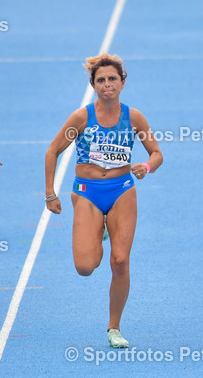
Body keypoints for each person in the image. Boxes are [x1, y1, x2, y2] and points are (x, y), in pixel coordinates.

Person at [44, 54, 162, 348]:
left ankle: (114, 327)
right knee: (85, 267)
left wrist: (146, 167)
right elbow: (53, 152)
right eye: (101, 80)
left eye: (112, 79)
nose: (107, 84)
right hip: (87, 191)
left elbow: (157, 154)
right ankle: (100, 229)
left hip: (122, 190)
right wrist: (50, 193)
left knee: (120, 261)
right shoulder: (81, 118)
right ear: (93, 85)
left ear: (122, 82)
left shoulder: (134, 118)